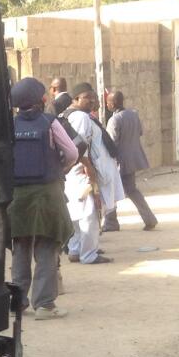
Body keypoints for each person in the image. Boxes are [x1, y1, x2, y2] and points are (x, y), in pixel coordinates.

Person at [8, 77, 79, 320]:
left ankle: (18, 303)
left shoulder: (9, 125)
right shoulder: (50, 122)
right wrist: (61, 167)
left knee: (21, 247)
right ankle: (45, 305)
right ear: (42, 99)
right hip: (48, 193)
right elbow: (72, 152)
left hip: (16, 196)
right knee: (48, 246)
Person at [64, 84, 119, 265]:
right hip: (83, 170)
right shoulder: (80, 117)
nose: (92, 100)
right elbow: (79, 147)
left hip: (74, 170)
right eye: (87, 97)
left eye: (93, 97)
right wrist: (89, 168)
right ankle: (89, 254)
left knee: (77, 212)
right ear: (75, 99)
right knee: (89, 213)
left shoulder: (68, 115)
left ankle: (75, 249)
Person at [102, 91, 158, 231]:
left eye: (108, 102)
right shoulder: (133, 114)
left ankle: (110, 222)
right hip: (133, 159)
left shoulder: (114, 120)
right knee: (132, 190)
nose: (106, 104)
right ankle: (149, 218)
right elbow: (139, 132)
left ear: (113, 103)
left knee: (110, 190)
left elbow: (112, 142)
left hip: (119, 161)